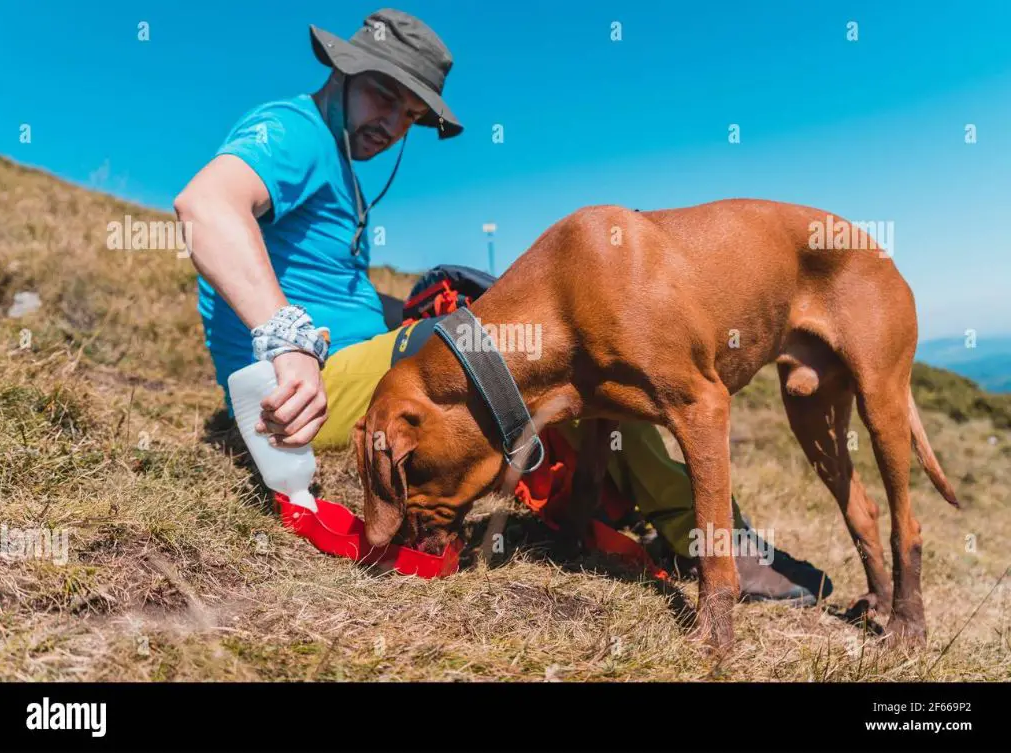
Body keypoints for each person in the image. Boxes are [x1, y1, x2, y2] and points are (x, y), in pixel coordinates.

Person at [174, 8, 832, 604]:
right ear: (346, 70)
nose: (393, 124)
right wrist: (286, 338)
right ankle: (709, 540)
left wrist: (411, 308)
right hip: (306, 384)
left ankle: (645, 513)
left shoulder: (338, 163)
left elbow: (328, 288)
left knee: (543, 347)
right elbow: (204, 206)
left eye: (410, 114)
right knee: (558, 353)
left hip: (352, 365)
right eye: (383, 95)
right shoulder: (293, 131)